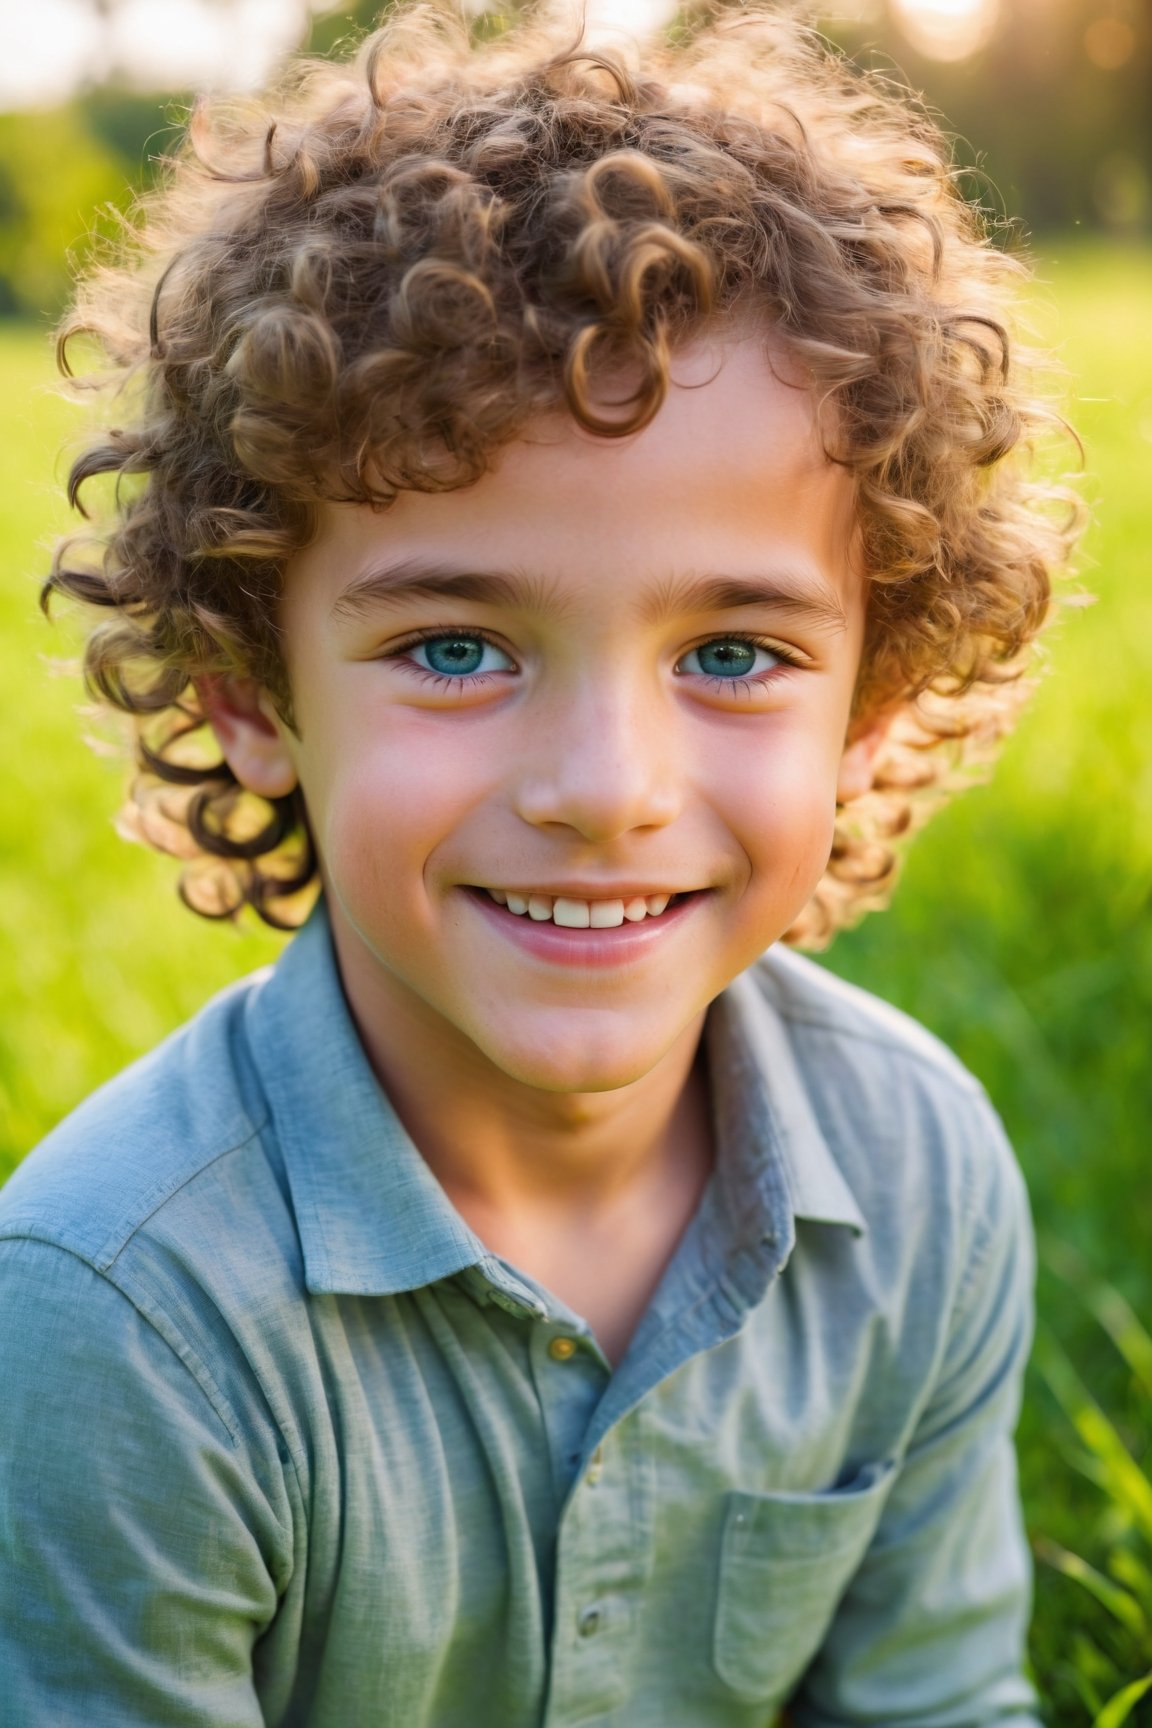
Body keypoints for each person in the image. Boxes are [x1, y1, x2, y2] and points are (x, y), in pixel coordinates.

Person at [0, 4, 1079, 1723]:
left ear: (874, 708)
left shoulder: (920, 1172)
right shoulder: (116, 1314)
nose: (604, 790)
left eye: (733, 655)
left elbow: (937, 1699)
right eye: (454, 647)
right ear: (252, 697)